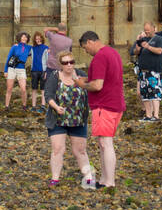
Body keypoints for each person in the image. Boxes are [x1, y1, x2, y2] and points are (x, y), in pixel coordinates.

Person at [77, 31, 125, 189]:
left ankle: (109, 181)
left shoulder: (99, 57)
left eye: (85, 48)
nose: (86, 51)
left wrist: (81, 84)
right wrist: (86, 80)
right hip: (115, 103)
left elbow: (97, 85)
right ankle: (105, 179)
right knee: (104, 142)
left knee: (105, 143)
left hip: (104, 105)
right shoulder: (113, 53)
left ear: (90, 42)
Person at [44, 50, 96, 189]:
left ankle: (89, 178)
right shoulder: (55, 76)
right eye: (65, 63)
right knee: (57, 149)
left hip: (78, 119)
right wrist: (56, 107)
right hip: (58, 119)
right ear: (60, 64)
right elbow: (48, 95)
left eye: (71, 62)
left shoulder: (81, 75)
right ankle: (55, 178)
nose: (69, 65)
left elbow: (92, 89)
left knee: (80, 150)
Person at [130, 20, 162, 123]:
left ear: (153, 28)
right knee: (144, 94)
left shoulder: (159, 39)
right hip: (143, 71)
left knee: (155, 93)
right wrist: (138, 45)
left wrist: (148, 47)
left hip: (154, 71)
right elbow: (135, 52)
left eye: (148, 30)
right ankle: (148, 115)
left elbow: (159, 51)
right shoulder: (143, 39)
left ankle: (156, 115)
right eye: (145, 30)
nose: (146, 32)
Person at [41, 23, 74, 121]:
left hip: (51, 66)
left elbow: (45, 29)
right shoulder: (69, 41)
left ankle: (51, 109)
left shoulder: (53, 36)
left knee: (49, 88)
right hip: (62, 66)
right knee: (62, 88)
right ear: (66, 30)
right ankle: (63, 109)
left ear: (57, 30)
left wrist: (54, 28)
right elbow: (70, 53)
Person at [3, 32, 32, 110]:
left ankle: (24, 105)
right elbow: (8, 58)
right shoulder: (14, 47)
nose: (24, 38)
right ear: (19, 38)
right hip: (11, 68)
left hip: (21, 69)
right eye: (22, 37)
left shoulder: (29, 47)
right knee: (9, 88)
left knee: (23, 88)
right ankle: (6, 106)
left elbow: (36, 51)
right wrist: (5, 70)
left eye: (26, 37)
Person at [29, 33, 48, 110]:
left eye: (39, 38)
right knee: (34, 89)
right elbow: (24, 52)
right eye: (36, 39)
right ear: (34, 40)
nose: (38, 40)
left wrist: (47, 71)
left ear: (42, 38)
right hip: (34, 71)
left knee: (43, 89)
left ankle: (43, 106)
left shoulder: (46, 48)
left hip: (43, 71)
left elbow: (48, 60)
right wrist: (17, 44)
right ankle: (34, 106)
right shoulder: (32, 48)